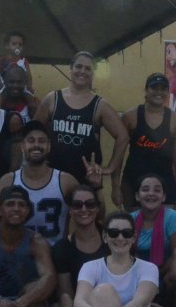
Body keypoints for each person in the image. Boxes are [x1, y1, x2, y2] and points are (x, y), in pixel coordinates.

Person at [34, 51, 128, 206]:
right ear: (70, 68)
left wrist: (109, 168)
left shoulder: (100, 105)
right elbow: (34, 131)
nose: (82, 71)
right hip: (54, 176)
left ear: (93, 73)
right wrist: (37, 161)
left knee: (88, 222)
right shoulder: (53, 99)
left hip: (86, 178)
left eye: (88, 68)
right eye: (78, 66)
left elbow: (123, 136)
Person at [0, 120, 101, 246]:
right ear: (22, 146)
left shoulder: (65, 181)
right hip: (19, 255)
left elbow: (97, 214)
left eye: (41, 141)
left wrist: (96, 186)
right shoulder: (8, 180)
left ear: (49, 146)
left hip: (55, 255)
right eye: (31, 141)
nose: (36, 145)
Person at [49, 184, 106, 307]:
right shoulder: (62, 247)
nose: (84, 209)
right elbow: (67, 292)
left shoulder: (113, 238)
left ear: (97, 208)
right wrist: (65, 297)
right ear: (71, 210)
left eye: (90, 204)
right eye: (77, 205)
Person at [119, 72, 176, 212]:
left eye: (163, 89)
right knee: (135, 230)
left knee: (164, 229)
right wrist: (115, 187)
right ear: (146, 90)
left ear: (167, 92)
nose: (159, 92)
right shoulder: (130, 117)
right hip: (133, 184)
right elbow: (118, 156)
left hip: (165, 184)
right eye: (154, 88)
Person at [130, 172, 176, 307]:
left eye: (157, 190)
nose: (151, 193)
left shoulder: (172, 217)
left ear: (164, 196)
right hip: (136, 276)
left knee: (175, 278)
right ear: (137, 196)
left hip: (165, 272)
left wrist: (155, 275)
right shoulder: (130, 220)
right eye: (145, 190)